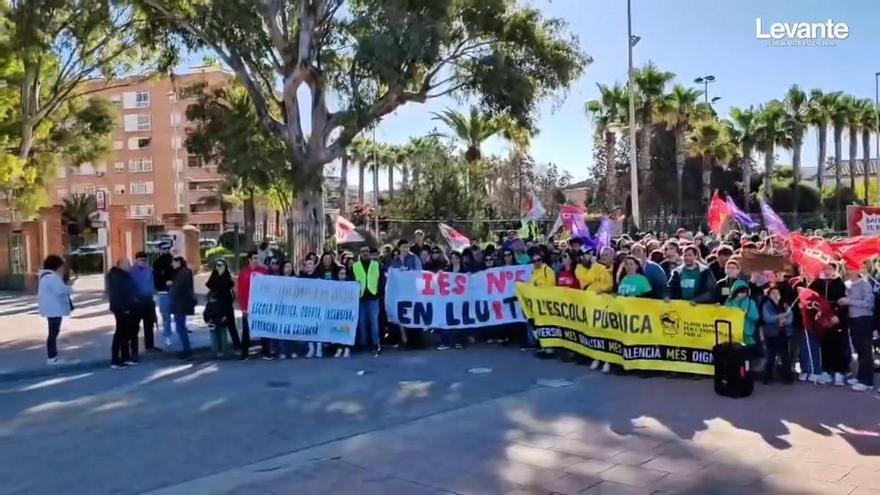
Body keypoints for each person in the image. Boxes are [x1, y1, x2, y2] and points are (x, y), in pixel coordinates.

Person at [808, 264, 848, 386]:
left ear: (834, 270)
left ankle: (839, 372)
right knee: (825, 344)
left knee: (838, 345)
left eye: (829, 269)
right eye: (824, 268)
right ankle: (826, 370)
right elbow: (810, 298)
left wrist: (838, 316)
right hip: (821, 318)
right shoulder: (816, 283)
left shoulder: (840, 283)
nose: (827, 271)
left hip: (836, 317)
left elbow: (844, 303)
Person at [844, 266, 875, 392]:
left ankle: (867, 381)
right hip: (853, 320)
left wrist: (850, 301)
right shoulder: (848, 285)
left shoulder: (865, 284)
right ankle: (861, 376)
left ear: (857, 271)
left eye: (851, 269)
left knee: (865, 350)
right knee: (859, 350)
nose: (849, 271)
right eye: (847, 269)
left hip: (864, 319)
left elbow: (869, 303)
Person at [37, 255, 72, 365]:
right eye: (61, 265)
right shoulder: (51, 277)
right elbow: (60, 290)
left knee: (53, 332)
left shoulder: (48, 276)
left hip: (52, 309)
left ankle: (53, 357)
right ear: (56, 266)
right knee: (53, 333)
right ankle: (52, 357)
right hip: (54, 309)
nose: (62, 268)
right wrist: (68, 288)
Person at [237, 251, 270, 360]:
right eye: (254, 258)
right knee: (246, 330)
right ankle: (244, 353)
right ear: (249, 259)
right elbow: (240, 292)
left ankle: (266, 352)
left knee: (264, 329)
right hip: (248, 306)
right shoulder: (243, 273)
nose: (256, 260)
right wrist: (243, 308)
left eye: (257, 258)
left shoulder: (264, 272)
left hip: (261, 306)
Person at [106, 258, 138, 368]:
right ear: (121, 265)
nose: (130, 266)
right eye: (128, 264)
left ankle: (125, 357)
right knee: (120, 333)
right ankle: (115, 360)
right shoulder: (117, 276)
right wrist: (124, 307)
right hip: (121, 308)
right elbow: (116, 294)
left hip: (126, 306)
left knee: (125, 333)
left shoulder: (123, 275)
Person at [205, 258, 241, 350]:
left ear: (225, 266)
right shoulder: (214, 276)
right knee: (217, 327)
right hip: (217, 306)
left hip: (227, 306)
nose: (219, 267)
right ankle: (219, 349)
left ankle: (237, 347)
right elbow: (210, 285)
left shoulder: (228, 277)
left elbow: (231, 290)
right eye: (217, 265)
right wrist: (217, 275)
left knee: (232, 327)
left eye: (221, 265)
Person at [760, 285, 794, 384]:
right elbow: (767, 318)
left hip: (784, 333)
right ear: (769, 295)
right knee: (771, 356)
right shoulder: (766, 305)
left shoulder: (785, 304)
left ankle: (787, 378)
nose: (776, 295)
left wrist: (785, 322)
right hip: (772, 334)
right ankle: (768, 378)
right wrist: (780, 317)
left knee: (785, 356)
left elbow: (791, 317)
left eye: (777, 293)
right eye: (773, 293)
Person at [353, 246, 383, 354]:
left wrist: (379, 294)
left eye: (366, 251)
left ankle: (376, 343)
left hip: (373, 297)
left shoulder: (376, 265)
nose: (365, 253)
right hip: (360, 297)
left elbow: (381, 280)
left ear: (370, 253)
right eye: (362, 251)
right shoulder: (355, 266)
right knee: (361, 322)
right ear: (360, 253)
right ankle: (363, 344)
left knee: (374, 321)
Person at [130, 252, 159, 352]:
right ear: (136, 260)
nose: (144, 262)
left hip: (148, 300)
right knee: (134, 326)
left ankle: (150, 346)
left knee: (149, 324)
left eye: (145, 260)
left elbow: (153, 283)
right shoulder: (131, 271)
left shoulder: (150, 270)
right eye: (141, 260)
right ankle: (133, 349)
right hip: (137, 301)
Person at [725, 280, 760, 359]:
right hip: (732, 336)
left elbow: (756, 317)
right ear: (735, 292)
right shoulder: (729, 302)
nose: (742, 294)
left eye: (744, 291)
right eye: (740, 291)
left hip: (747, 336)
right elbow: (725, 316)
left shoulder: (751, 303)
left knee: (746, 359)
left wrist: (747, 313)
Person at [169, 256, 196, 360]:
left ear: (178, 262)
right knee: (180, 327)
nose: (172, 265)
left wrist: (173, 284)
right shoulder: (181, 272)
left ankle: (187, 350)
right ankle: (186, 349)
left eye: (173, 263)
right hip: (179, 304)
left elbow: (182, 287)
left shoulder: (183, 273)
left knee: (180, 327)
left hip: (181, 304)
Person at [152, 242, 176, 348]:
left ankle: (170, 335)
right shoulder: (158, 263)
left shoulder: (175, 260)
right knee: (167, 315)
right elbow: (156, 278)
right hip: (164, 291)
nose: (166, 251)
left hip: (172, 291)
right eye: (164, 249)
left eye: (167, 249)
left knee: (172, 315)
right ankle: (168, 336)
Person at [299, 257, 322, 358]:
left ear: (314, 265)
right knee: (309, 328)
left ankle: (319, 348)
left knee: (318, 327)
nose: (309, 266)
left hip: (317, 305)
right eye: (307, 264)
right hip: (306, 305)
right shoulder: (302, 277)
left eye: (310, 264)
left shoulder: (318, 277)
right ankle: (311, 348)